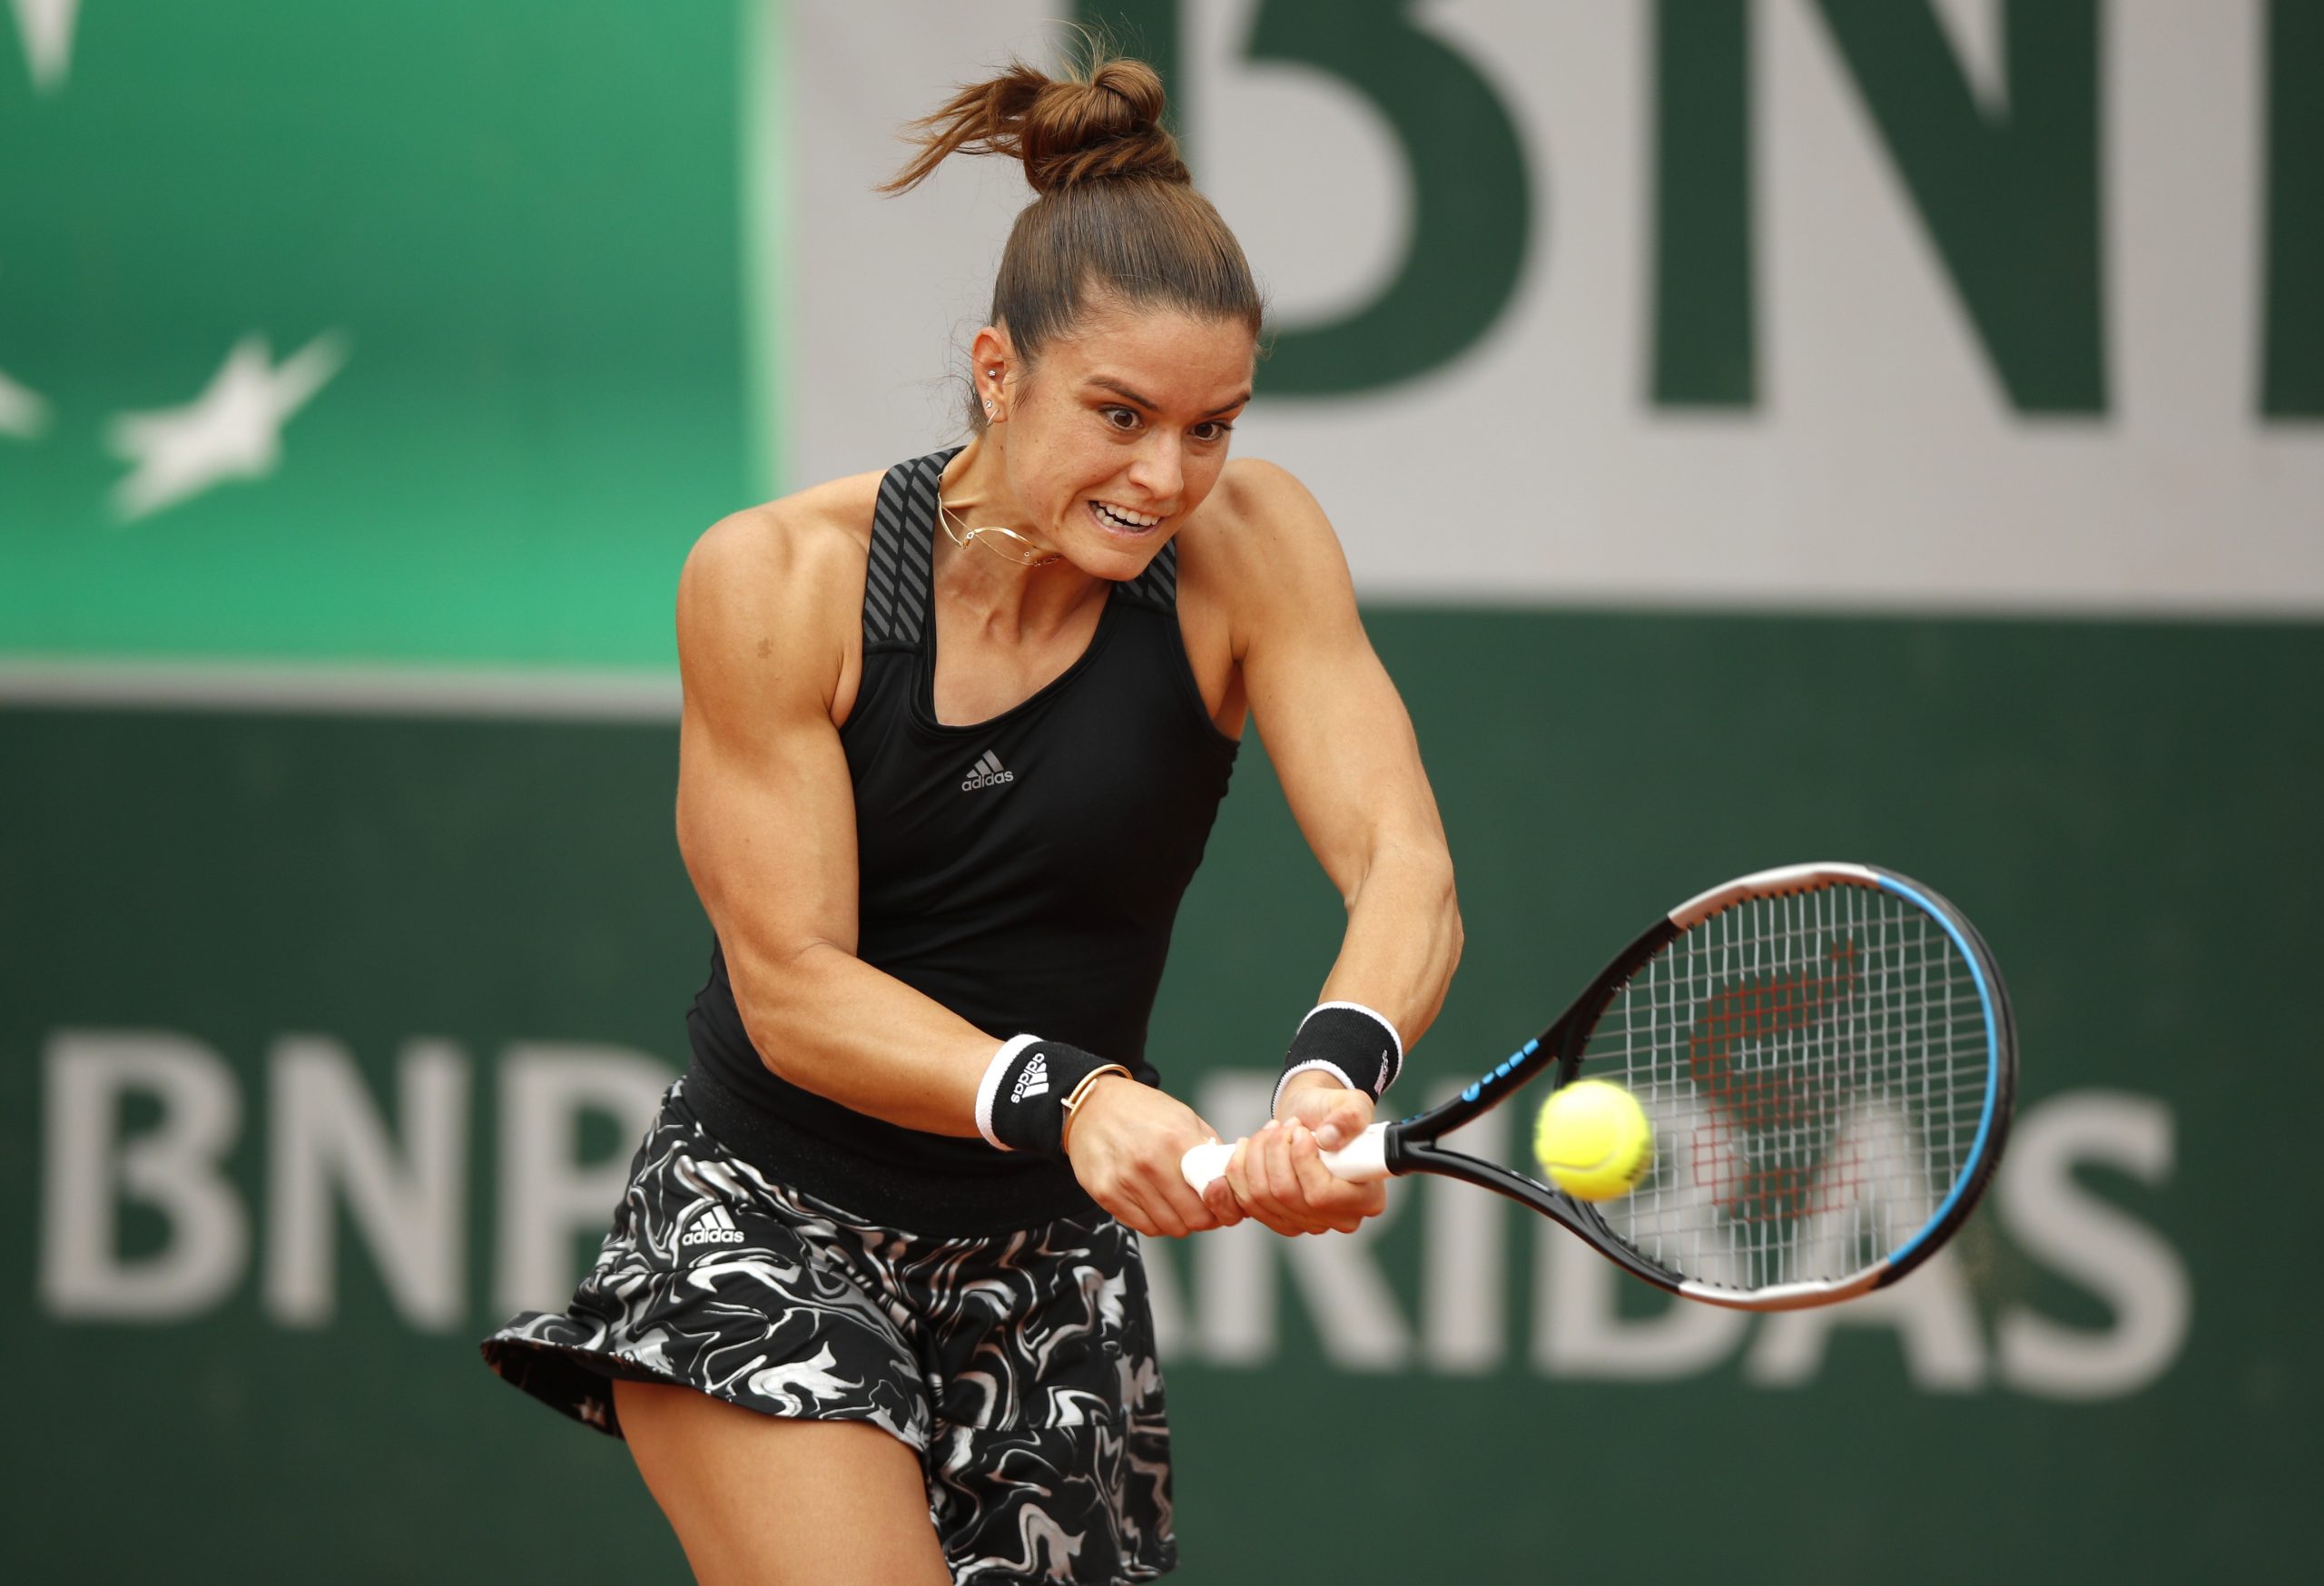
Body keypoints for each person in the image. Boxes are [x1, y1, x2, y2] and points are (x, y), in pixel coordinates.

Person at [482, 50, 1461, 1586]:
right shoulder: (776, 581)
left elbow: (1405, 865)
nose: (1169, 476)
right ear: (998, 371)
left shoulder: (1255, 548)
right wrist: (1072, 1099)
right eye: (1122, 413)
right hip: (771, 1220)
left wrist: (1336, 1072)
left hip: (1045, 1264)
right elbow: (792, 986)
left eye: (1212, 426)